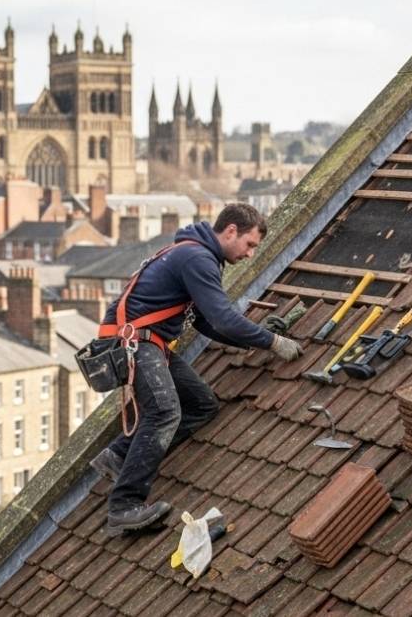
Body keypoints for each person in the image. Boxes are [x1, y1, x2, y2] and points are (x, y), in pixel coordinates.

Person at [90, 203, 304, 535]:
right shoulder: (197, 258)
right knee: (164, 411)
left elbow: (206, 323)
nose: (250, 254)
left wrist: (257, 339)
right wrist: (272, 341)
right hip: (132, 342)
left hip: (148, 343)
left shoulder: (198, 256)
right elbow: (223, 319)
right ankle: (124, 507)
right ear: (230, 231)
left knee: (202, 404)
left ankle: (118, 456)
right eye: (249, 244)